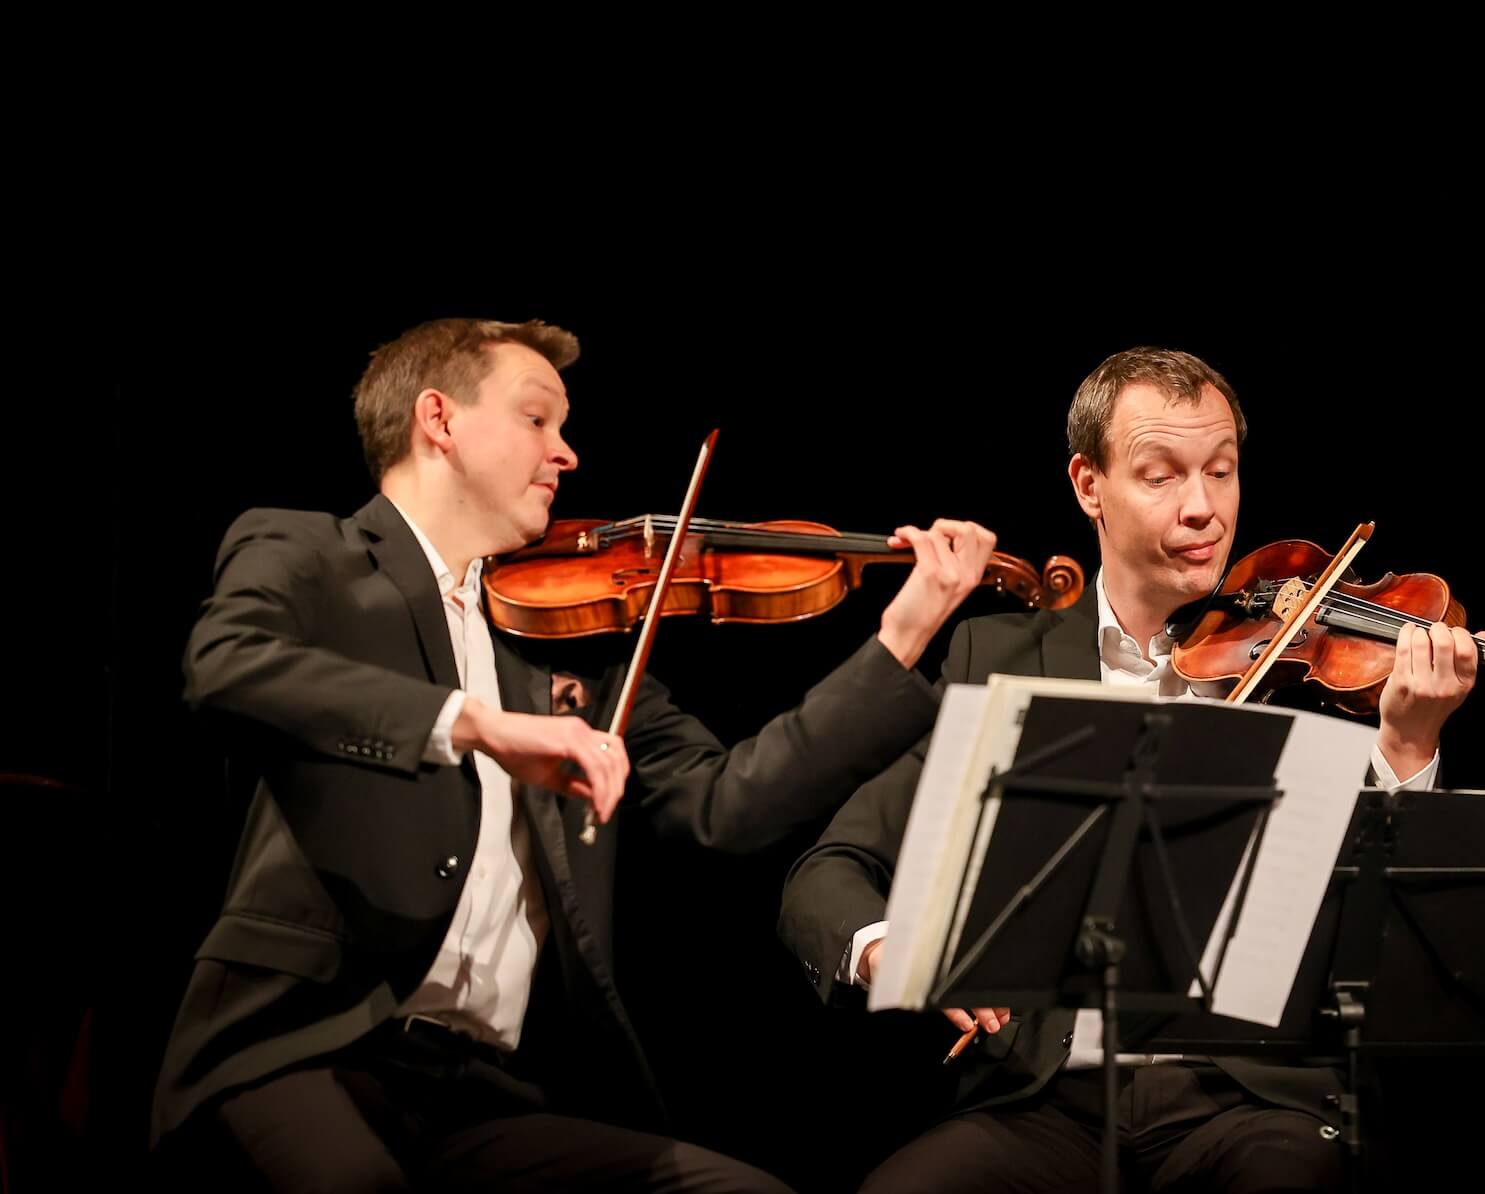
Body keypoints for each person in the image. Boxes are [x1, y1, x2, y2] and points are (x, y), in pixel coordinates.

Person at [152, 316, 998, 1191]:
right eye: (536, 420)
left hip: (478, 1094)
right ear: (439, 420)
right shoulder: (315, 557)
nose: (567, 453)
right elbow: (227, 666)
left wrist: (903, 635)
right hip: (301, 1052)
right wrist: (476, 724)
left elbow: (730, 804)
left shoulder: (563, 649)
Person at [778, 346, 1485, 1192]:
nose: (1204, 509)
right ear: (1089, 485)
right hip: (1046, 1106)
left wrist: (1406, 746)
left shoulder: (1308, 665)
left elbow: (1385, 926)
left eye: (1221, 471)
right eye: (1161, 475)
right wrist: (889, 947)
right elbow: (829, 870)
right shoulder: (994, 658)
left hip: (1252, 1100)